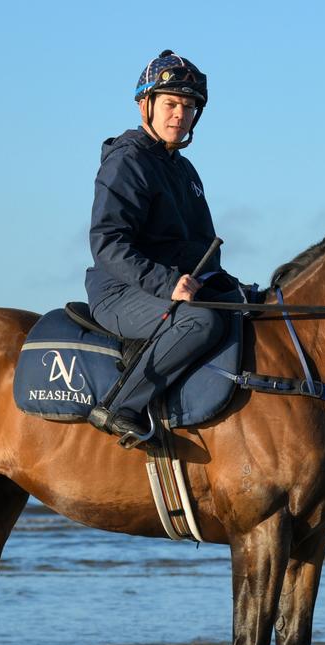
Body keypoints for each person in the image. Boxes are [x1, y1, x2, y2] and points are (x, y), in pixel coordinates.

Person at [85, 49, 240, 447]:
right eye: (171, 104)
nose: (180, 115)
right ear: (145, 106)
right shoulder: (127, 160)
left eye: (189, 107)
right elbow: (108, 241)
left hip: (172, 286)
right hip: (121, 292)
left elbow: (202, 247)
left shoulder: (185, 171)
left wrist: (230, 289)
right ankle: (120, 406)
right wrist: (167, 283)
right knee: (199, 322)